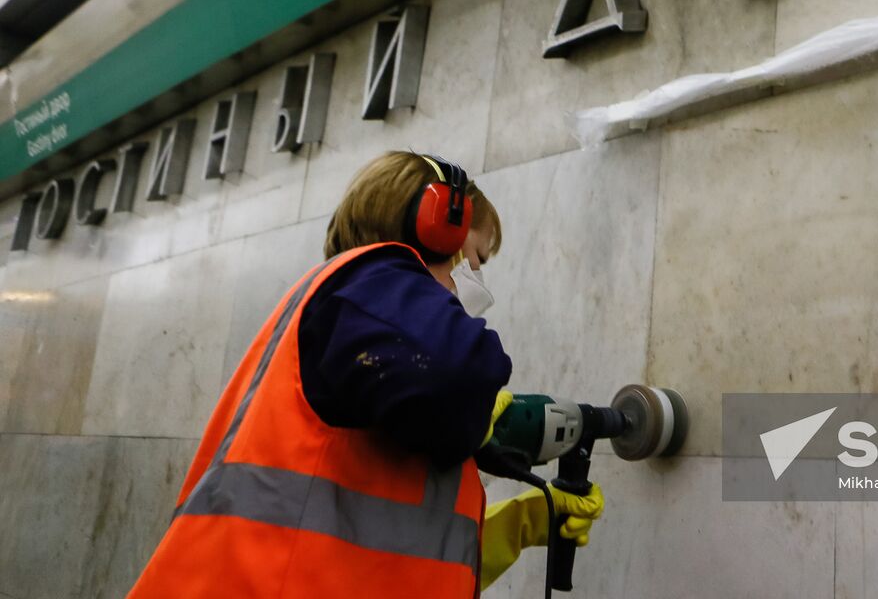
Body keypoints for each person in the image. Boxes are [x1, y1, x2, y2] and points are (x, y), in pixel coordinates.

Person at [129, 150, 605, 597]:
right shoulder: (369, 282)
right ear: (438, 231)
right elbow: (460, 379)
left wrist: (520, 524)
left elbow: (388, 564)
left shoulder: (366, 334)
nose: (473, 285)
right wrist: (487, 422)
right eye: (474, 262)